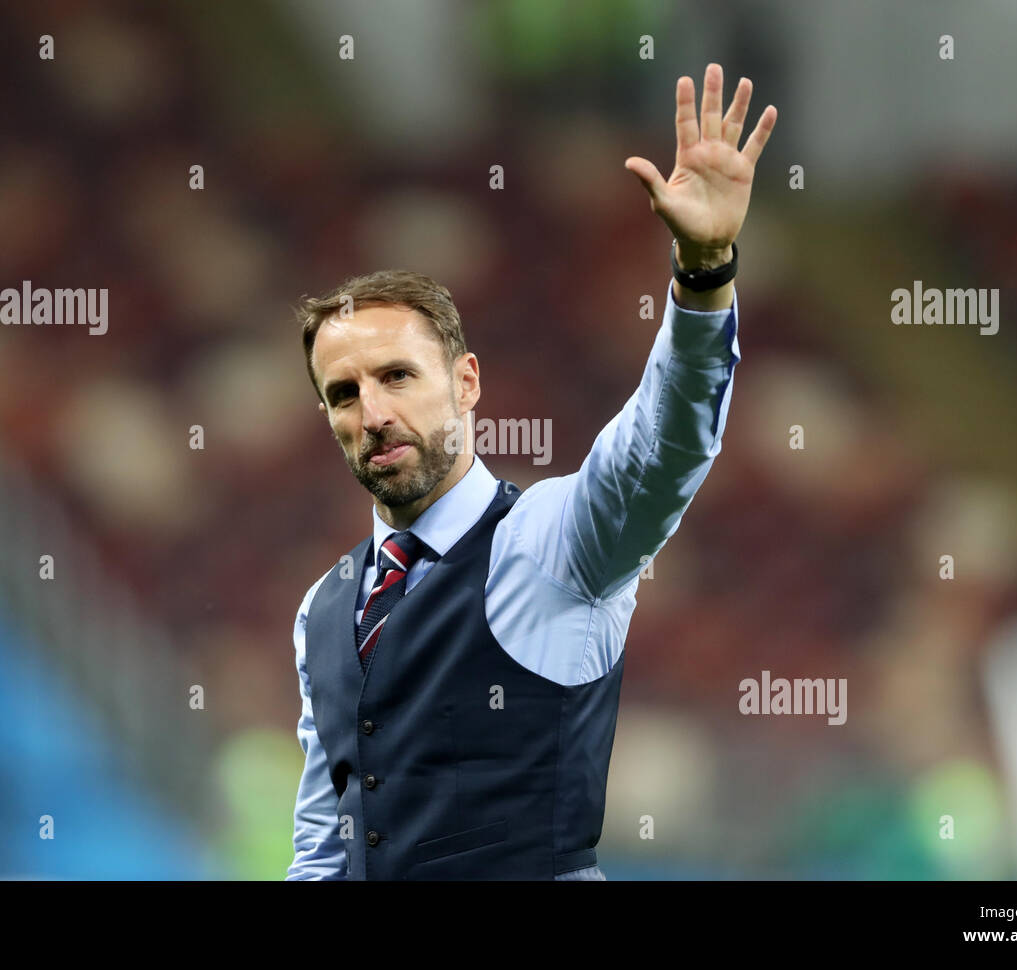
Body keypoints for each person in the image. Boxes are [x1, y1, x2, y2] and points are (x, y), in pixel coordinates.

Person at [286, 63, 776, 880]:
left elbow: (665, 447)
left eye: (398, 377)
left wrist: (703, 269)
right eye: (343, 393)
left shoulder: (549, 542)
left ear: (467, 382)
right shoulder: (325, 609)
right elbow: (325, 848)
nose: (371, 414)